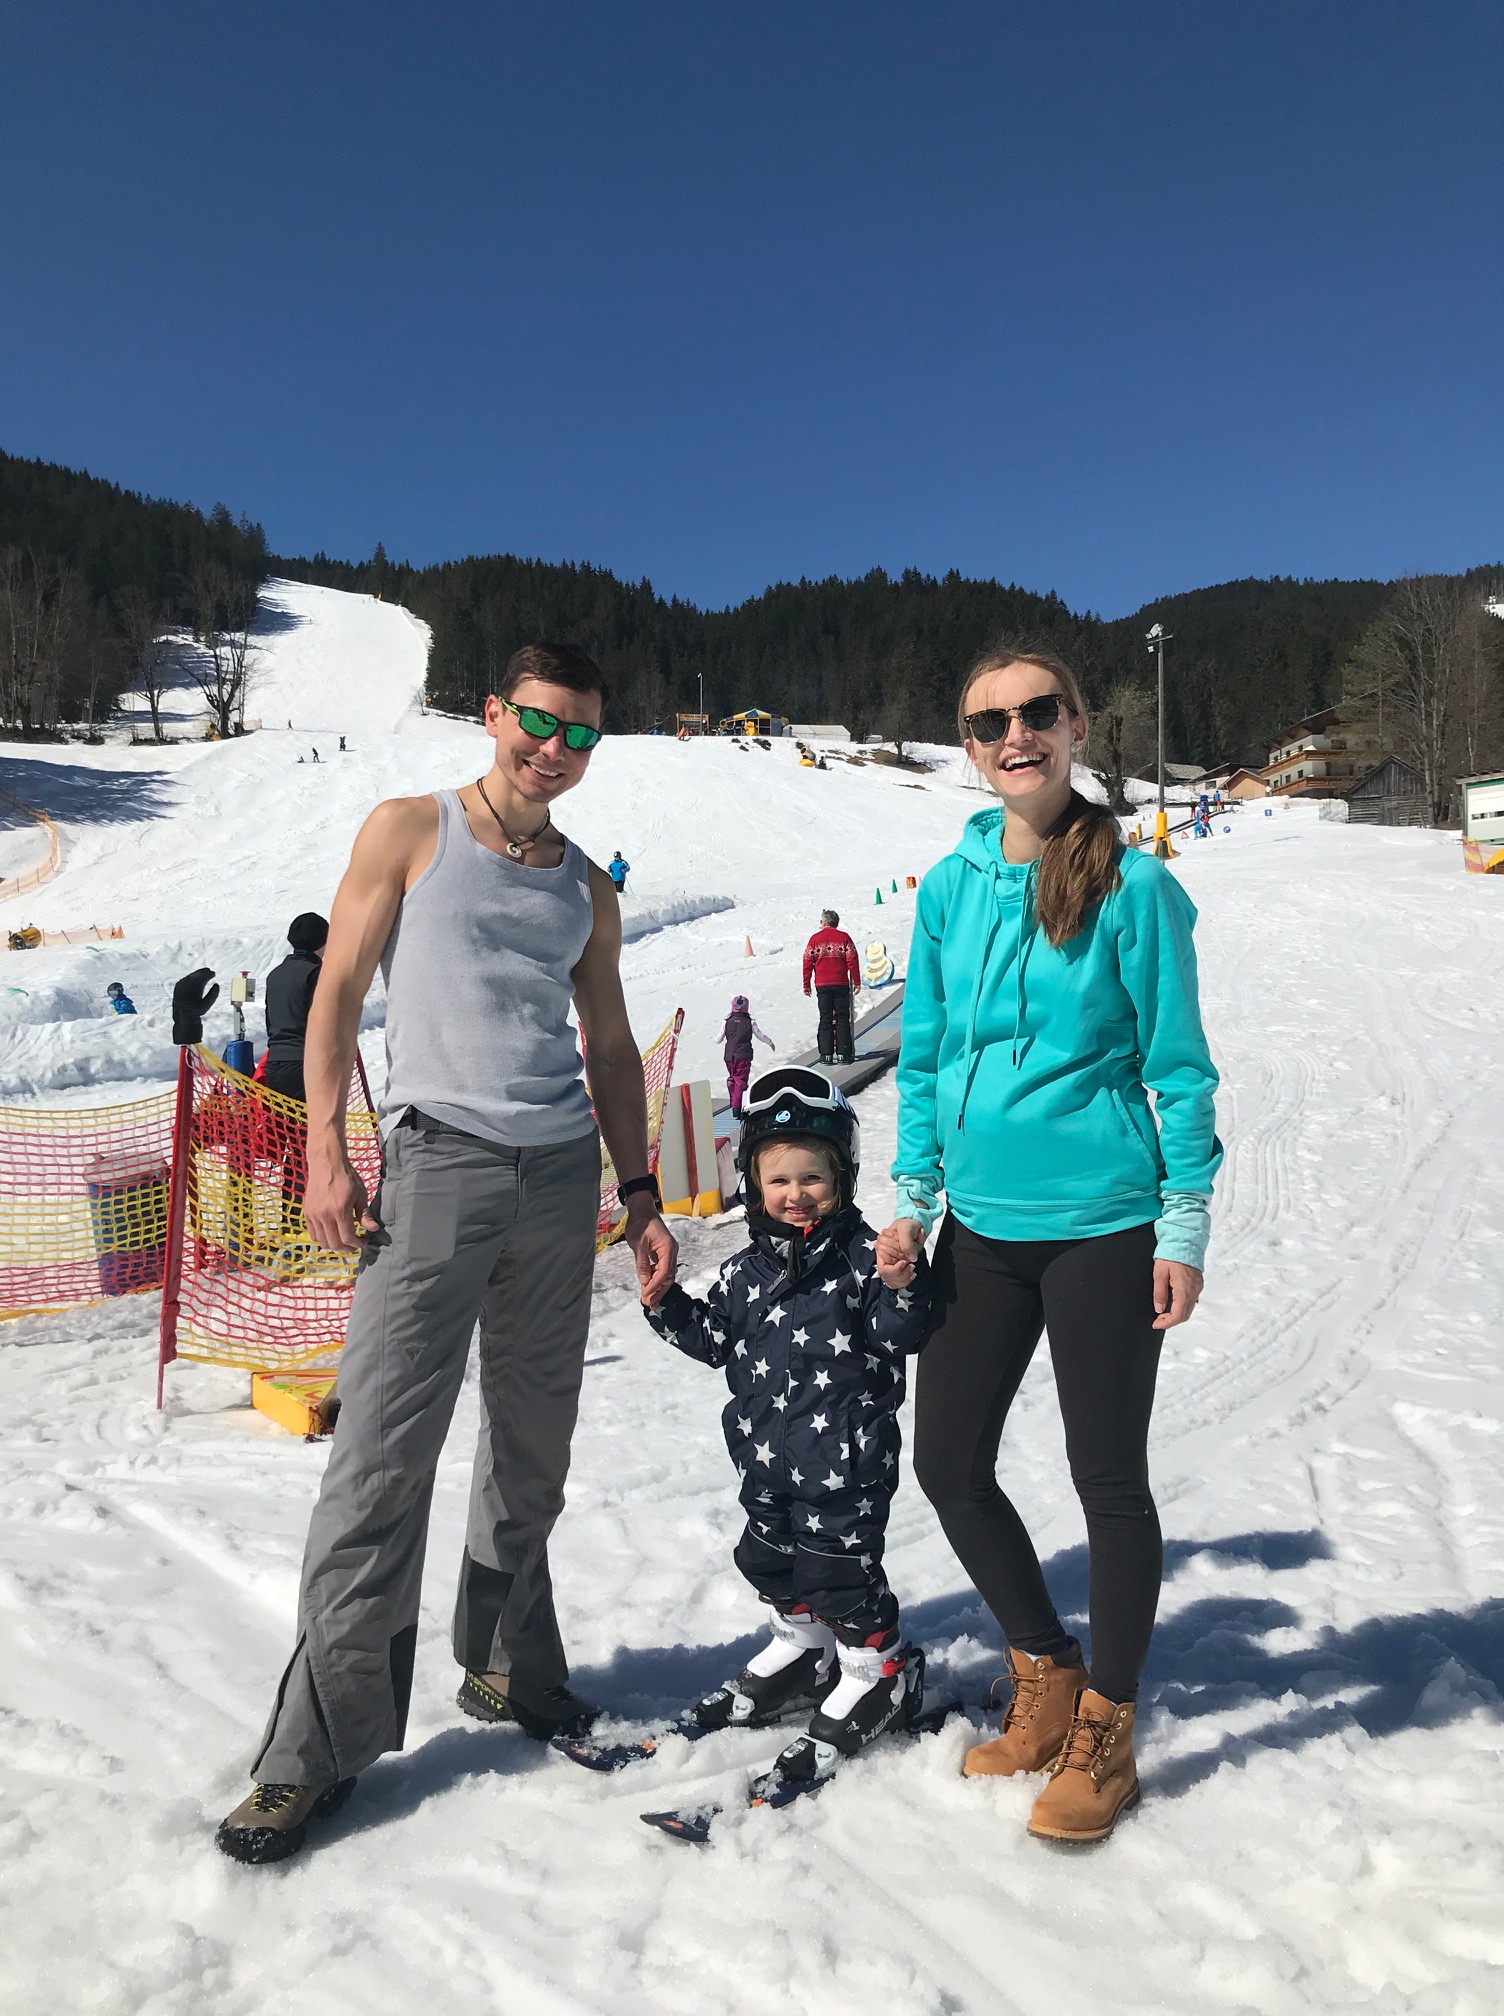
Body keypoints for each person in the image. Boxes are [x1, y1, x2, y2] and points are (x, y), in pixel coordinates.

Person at [215, 642, 678, 1865]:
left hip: (558, 1178)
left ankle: (511, 1666)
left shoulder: (585, 887)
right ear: (493, 714)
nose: (554, 750)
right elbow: (336, 994)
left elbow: (611, 1048)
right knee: (379, 1460)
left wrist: (638, 1193)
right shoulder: (409, 830)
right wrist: (325, 1151)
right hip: (436, 1167)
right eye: (539, 723)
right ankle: (312, 1753)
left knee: (532, 1450)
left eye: (580, 734)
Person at [878, 643, 1221, 1846]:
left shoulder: (1132, 885)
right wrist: (912, 1198)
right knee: (947, 1463)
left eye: (1036, 713)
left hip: (1102, 1227)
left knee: (1105, 1478)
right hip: (980, 1227)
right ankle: (1045, 1669)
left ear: (1076, 726)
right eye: (989, 722)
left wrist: (1182, 1224)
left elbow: (1179, 1070)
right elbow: (925, 1058)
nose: (1014, 735)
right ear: (967, 747)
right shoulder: (948, 888)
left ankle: (1107, 1729)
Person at [643, 1068, 930, 1762]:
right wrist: (664, 1303)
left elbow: (899, 1334)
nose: (796, 1195)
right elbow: (715, 1339)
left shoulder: (865, 1260)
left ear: (842, 1179)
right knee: (767, 1559)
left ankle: (880, 1670)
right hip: (767, 1461)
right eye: (779, 1181)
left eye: (813, 1179)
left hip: (846, 1467)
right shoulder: (745, 1272)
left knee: (840, 1576)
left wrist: (902, 1286)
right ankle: (805, 1651)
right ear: (752, 1184)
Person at [262, 913, 328, 1104]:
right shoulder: (317, 973)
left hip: (275, 1065)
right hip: (307, 1064)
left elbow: (270, 1020)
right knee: (315, 1122)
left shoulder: (275, 974)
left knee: (283, 1123)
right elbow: (327, 1021)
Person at [802, 908, 860, 1065]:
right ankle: (843, 1054)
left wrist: (806, 983)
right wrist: (856, 980)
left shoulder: (814, 939)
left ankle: (826, 1055)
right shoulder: (844, 937)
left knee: (825, 1018)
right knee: (842, 1018)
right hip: (841, 983)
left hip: (822, 985)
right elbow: (852, 959)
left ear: (824, 922)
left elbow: (807, 962)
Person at [719, 992, 774, 1114]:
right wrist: (770, 1042)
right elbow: (760, 1035)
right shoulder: (750, 1022)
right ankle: (737, 1108)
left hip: (729, 1056)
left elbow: (718, 1039)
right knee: (740, 1080)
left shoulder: (726, 1022)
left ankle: (734, 1099)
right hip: (743, 1055)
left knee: (734, 1078)